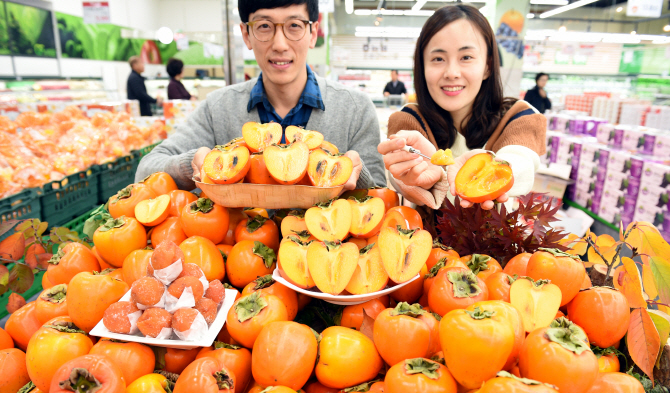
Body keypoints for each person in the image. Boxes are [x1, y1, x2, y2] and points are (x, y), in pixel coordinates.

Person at [135, 0, 386, 191]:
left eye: (294, 26)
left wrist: (357, 172)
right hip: (240, 256)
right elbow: (145, 170)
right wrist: (191, 163)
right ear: (246, 35)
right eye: (264, 26)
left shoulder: (355, 109)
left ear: (313, 33)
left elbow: (380, 196)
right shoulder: (218, 108)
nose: (279, 44)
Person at [378, 4, 544, 227]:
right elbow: (403, 179)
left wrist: (485, 171)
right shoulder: (407, 119)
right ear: (422, 66)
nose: (451, 73)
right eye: (438, 59)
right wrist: (415, 175)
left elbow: (520, 161)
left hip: (496, 256)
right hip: (424, 253)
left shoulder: (520, 116)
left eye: (466, 57)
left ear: (487, 66)